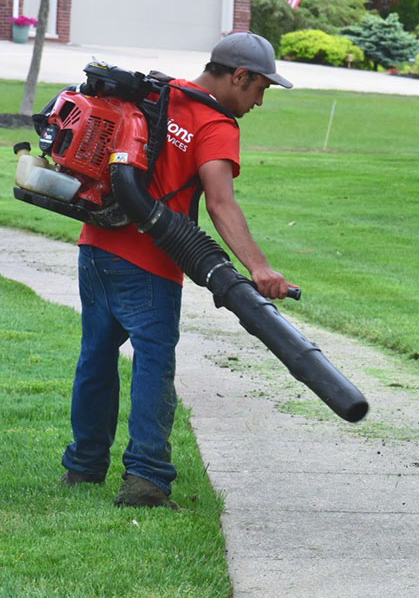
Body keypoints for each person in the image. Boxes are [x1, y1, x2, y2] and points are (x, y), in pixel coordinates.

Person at [59, 32, 296, 509]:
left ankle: (84, 467)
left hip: (97, 246)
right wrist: (260, 268)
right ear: (239, 76)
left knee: (95, 358)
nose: (260, 101)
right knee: (153, 365)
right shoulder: (215, 123)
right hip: (152, 264)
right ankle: (146, 479)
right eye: (260, 89)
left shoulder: (153, 96)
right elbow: (221, 202)